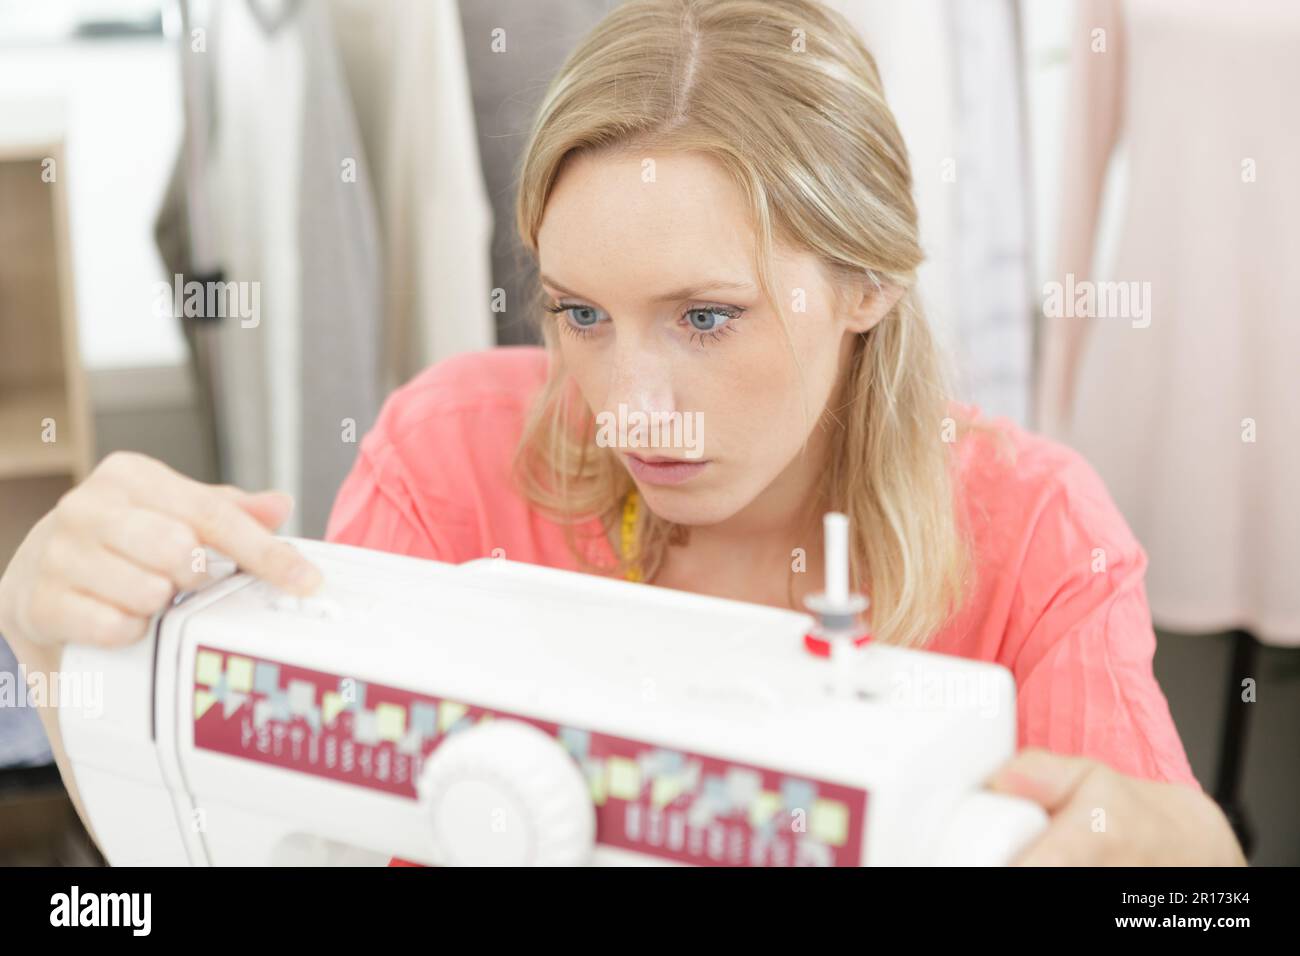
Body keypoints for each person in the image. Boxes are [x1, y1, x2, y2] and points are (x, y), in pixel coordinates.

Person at [0, 0, 1243, 866]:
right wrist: (60, 648)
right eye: (579, 313)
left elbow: (1159, 861)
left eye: (705, 316)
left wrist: (1185, 858)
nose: (625, 399)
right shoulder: (449, 457)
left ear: (867, 285)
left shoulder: (1032, 531)